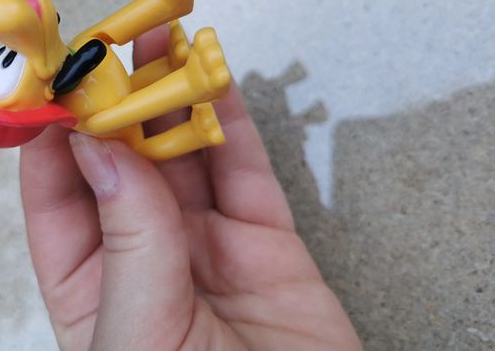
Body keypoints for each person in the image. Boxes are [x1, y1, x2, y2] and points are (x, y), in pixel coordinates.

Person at [19, 26, 362, 350]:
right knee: (148, 135)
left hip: (127, 110)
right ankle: (192, 106)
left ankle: (186, 89)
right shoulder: (90, 119)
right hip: (132, 136)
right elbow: (125, 109)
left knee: (145, 106)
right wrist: (192, 84)